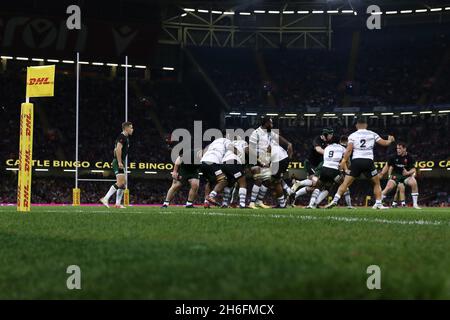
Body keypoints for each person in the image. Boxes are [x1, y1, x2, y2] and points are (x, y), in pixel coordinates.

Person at [325, 117, 395, 209]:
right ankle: (378, 204)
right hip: (368, 161)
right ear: (366, 125)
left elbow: (349, 150)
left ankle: (334, 201)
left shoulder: (352, 135)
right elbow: (384, 143)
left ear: (357, 125)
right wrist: (390, 140)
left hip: (356, 162)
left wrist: (343, 161)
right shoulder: (372, 134)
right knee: (376, 183)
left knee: (345, 183)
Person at [248, 117, 293, 209]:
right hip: (255, 158)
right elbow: (250, 149)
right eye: (271, 123)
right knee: (259, 179)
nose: (272, 126)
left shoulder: (270, 133)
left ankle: (259, 202)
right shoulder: (256, 133)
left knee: (268, 180)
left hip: (265, 159)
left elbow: (283, 140)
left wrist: (288, 144)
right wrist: (259, 160)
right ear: (266, 123)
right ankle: (251, 203)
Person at [305, 135, 355, 209]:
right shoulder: (342, 148)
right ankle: (349, 205)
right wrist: (346, 168)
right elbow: (346, 161)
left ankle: (311, 204)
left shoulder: (327, 148)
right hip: (334, 171)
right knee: (345, 185)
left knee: (320, 187)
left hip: (324, 169)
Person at [100, 121, 134, 208]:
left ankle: (118, 204)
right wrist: (118, 161)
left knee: (123, 183)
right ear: (126, 128)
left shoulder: (125, 137)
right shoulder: (122, 137)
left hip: (119, 160)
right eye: (131, 127)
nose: (132, 129)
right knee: (120, 182)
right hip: (118, 161)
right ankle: (105, 198)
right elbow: (118, 149)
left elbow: (115, 149)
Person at [379, 142, 421, 209]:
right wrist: (382, 173)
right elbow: (387, 166)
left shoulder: (410, 157)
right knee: (388, 187)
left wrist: (407, 173)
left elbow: (413, 169)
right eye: (397, 148)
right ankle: (377, 203)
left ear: (404, 149)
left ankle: (415, 204)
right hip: (396, 175)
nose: (398, 150)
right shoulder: (393, 156)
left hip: (405, 176)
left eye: (400, 148)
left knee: (414, 183)